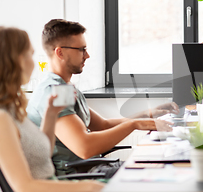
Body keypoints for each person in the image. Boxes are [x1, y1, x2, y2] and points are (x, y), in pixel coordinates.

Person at [0, 27, 199, 192]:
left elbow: (43, 154)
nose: (34, 61)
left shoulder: (13, 109)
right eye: (29, 54)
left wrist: (50, 115)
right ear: (12, 60)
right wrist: (90, 186)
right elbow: (27, 190)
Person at [27, 19, 177, 177]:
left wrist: (147, 115)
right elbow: (85, 148)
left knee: (161, 168)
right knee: (162, 174)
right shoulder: (53, 92)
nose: (87, 55)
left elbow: (104, 125)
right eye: (81, 49)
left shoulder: (65, 87)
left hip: (89, 169)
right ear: (60, 52)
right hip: (76, 176)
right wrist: (135, 124)